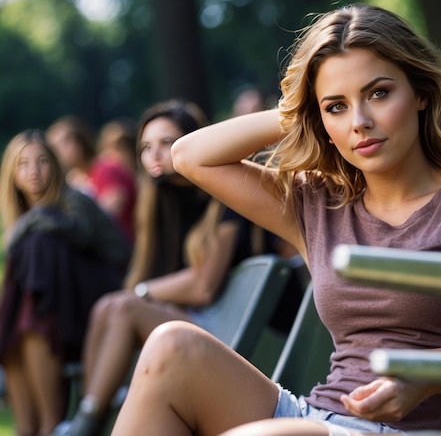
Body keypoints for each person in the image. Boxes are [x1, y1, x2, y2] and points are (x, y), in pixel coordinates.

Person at [112, 3, 441, 436]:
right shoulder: (318, 201)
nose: (360, 122)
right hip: (318, 416)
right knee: (172, 346)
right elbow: (188, 156)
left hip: (413, 431)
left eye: (378, 93)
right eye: (336, 107)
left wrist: (425, 377)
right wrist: (296, 108)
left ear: (421, 93)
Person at [60, 98, 287, 436]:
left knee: (123, 306)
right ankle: (89, 410)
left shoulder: (225, 198)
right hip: (190, 321)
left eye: (166, 143)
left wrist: (142, 292)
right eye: (146, 146)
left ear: (193, 140)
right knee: (107, 305)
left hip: (229, 330)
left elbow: (203, 286)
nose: (154, 154)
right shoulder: (157, 206)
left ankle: (87, 422)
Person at [0, 130, 130, 436]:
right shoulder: (22, 218)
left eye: (43, 161)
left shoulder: (72, 198)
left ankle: (49, 424)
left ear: (55, 167)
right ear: (12, 174)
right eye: (23, 164)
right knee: (16, 327)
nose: (33, 171)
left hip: (97, 296)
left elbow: (83, 236)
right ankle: (28, 425)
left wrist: (36, 219)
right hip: (50, 300)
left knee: (40, 245)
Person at [46, 115, 137, 242]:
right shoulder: (73, 178)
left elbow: (109, 217)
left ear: (78, 142)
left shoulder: (106, 169)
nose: (55, 153)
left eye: (60, 144)